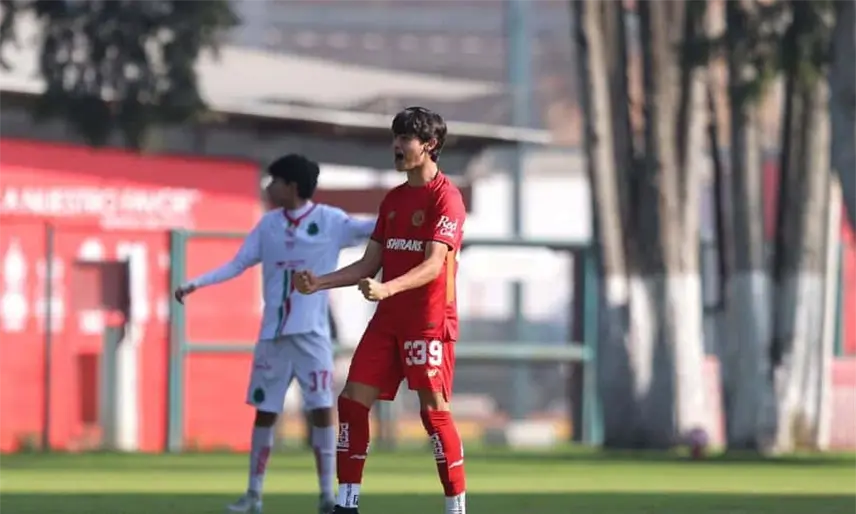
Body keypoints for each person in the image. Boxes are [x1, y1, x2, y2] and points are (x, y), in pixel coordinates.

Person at [173, 154, 376, 514]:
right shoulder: (267, 225)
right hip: (273, 337)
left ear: (291, 187)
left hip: (312, 336)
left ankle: (327, 496)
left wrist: (416, 221)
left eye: (274, 181)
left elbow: (374, 228)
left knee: (322, 411)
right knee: (265, 412)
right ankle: (253, 495)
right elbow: (238, 263)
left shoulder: (330, 221)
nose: (268, 187)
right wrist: (196, 283)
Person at [295, 107, 468, 514]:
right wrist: (319, 282)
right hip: (388, 322)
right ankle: (347, 503)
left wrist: (387, 288)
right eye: (395, 136)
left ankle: (456, 507)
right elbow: (368, 263)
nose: (396, 145)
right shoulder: (393, 200)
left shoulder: (447, 198)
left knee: (433, 414)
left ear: (429, 146)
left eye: (405, 138)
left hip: (427, 324)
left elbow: (432, 265)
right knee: (352, 402)